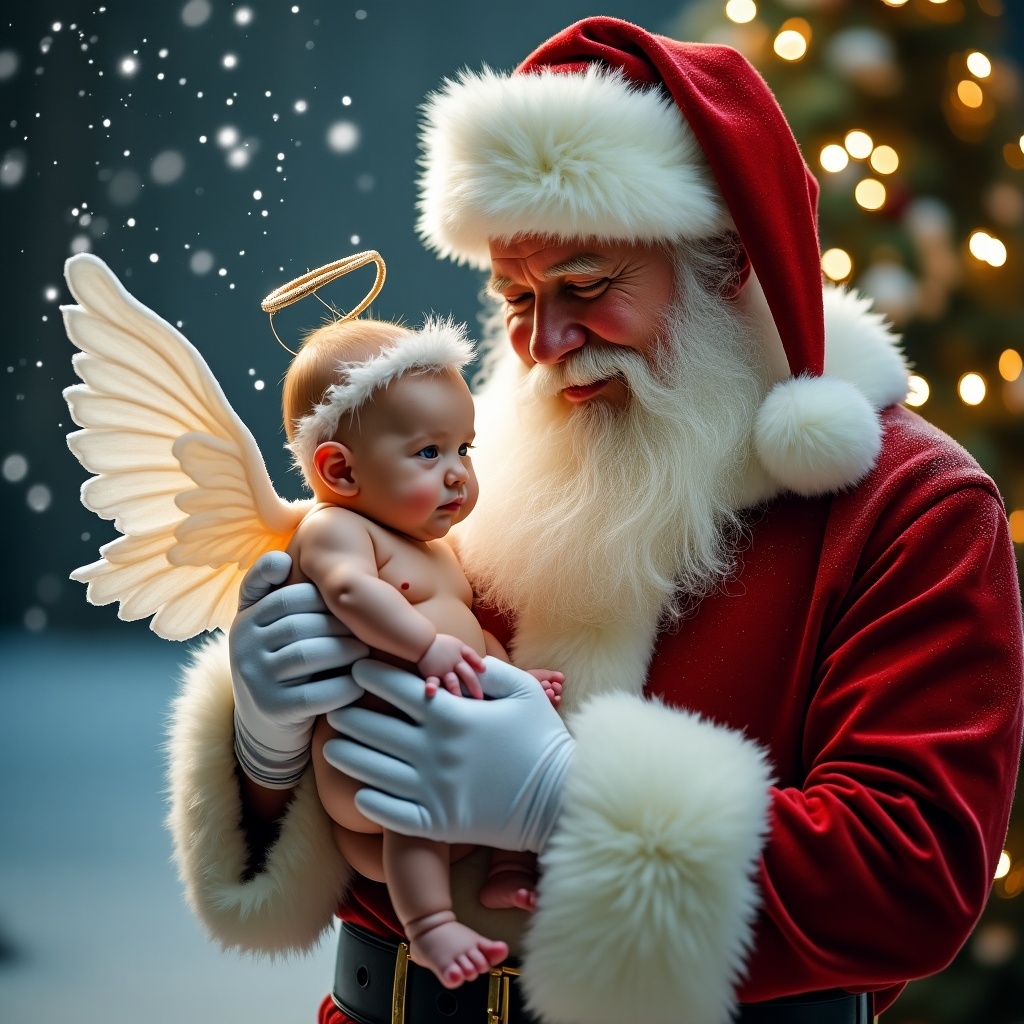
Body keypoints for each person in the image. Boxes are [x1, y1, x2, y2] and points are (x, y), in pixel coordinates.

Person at [165, 16, 1024, 1024]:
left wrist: (571, 801)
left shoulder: (906, 505)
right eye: (516, 294)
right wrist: (266, 752)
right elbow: (351, 817)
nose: (545, 342)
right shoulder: (468, 468)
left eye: (585, 285)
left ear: (728, 262)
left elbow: (906, 876)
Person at [278, 315, 562, 987]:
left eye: (465, 449)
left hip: (451, 741)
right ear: (340, 470)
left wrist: (511, 675)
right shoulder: (335, 530)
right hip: (380, 763)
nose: (459, 474)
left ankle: (510, 869)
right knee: (417, 814)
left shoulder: (431, 546)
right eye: (429, 454)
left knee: (503, 780)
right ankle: (431, 924)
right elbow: (350, 595)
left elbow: (467, 631)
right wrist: (425, 646)